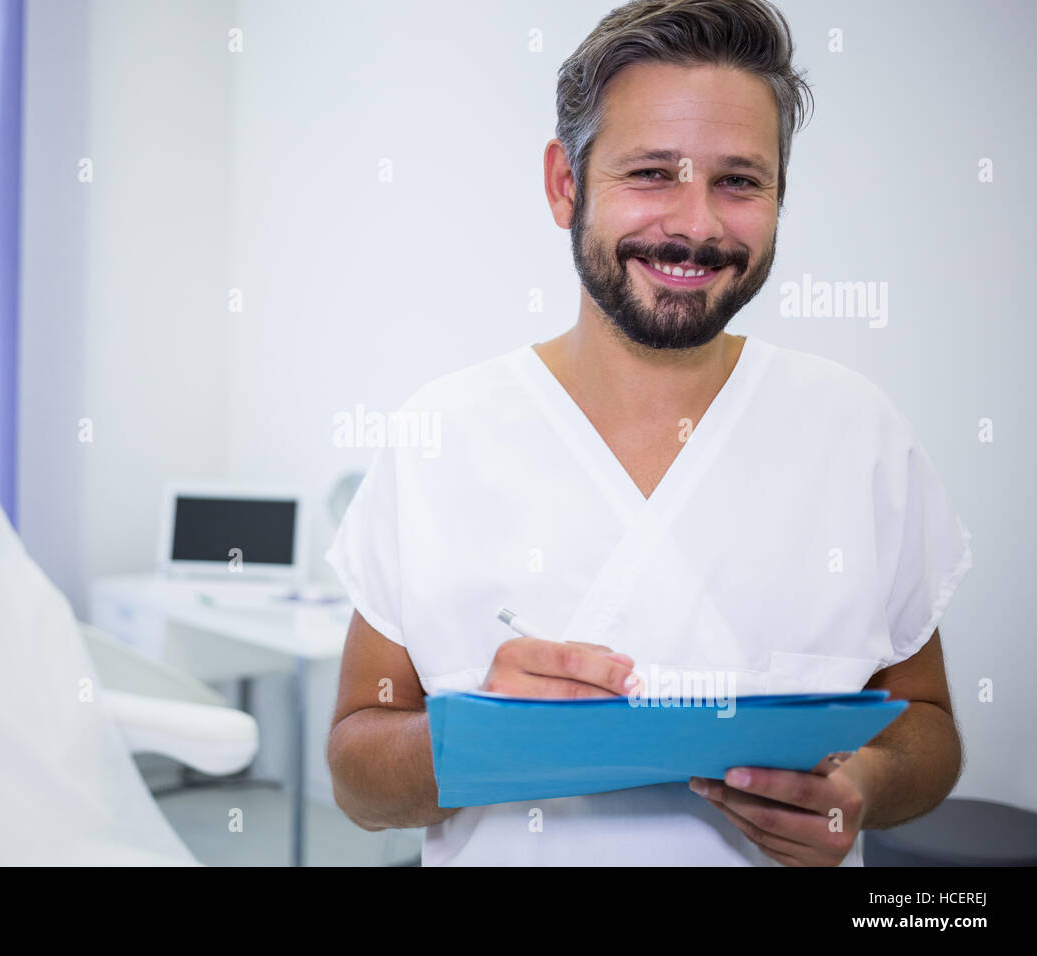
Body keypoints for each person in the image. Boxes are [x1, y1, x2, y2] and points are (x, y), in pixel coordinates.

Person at [324, 0, 972, 866]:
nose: (696, 225)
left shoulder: (859, 436)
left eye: (739, 180)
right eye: (653, 172)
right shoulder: (441, 436)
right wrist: (478, 739)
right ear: (566, 184)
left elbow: (928, 727)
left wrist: (865, 786)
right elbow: (357, 780)